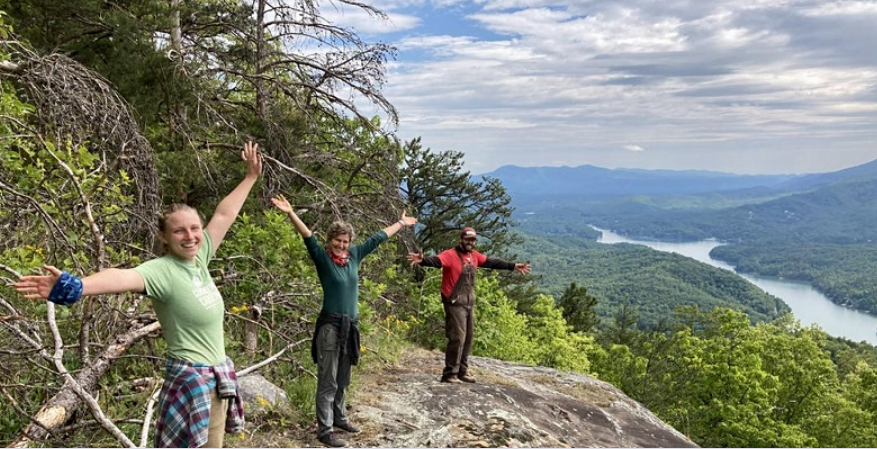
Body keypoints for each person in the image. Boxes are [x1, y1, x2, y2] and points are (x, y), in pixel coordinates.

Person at [14, 141, 263, 448]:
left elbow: (224, 215)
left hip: (216, 382)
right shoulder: (162, 270)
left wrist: (250, 177)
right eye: (179, 231)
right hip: (192, 385)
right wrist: (76, 286)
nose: (190, 236)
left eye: (195, 228)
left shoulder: (200, 258)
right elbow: (122, 277)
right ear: (164, 237)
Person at [270, 194, 417, 448]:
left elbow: (378, 238)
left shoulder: (355, 255)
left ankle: (339, 418)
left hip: (351, 326)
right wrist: (290, 213)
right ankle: (324, 429)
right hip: (330, 327)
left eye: (345, 241)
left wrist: (401, 224)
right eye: (337, 240)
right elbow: (308, 237)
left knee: (344, 378)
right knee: (328, 380)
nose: (341, 245)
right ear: (330, 241)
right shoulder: (323, 258)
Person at [407, 226, 531, 384]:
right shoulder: (450, 255)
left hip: (469, 303)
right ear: (461, 239)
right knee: (457, 337)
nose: (470, 243)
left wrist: (512, 266)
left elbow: (491, 262)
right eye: (467, 240)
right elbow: (437, 261)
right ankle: (450, 374)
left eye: (473, 240)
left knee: (468, 338)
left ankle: (462, 372)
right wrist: (422, 260)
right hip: (454, 303)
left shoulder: (474, 256)